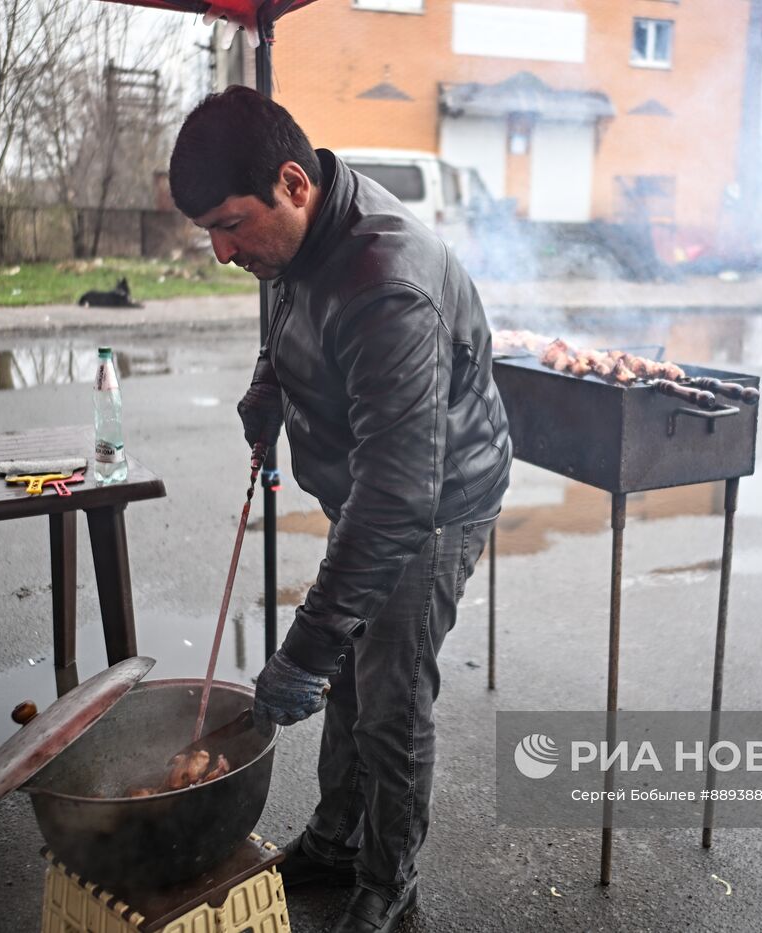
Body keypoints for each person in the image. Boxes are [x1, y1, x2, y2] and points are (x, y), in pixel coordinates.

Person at [168, 86, 511, 933]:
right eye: (209, 230)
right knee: (351, 670)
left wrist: (305, 649)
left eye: (230, 225)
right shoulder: (299, 233)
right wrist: (269, 385)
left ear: (293, 183)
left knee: (390, 693)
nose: (221, 251)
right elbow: (290, 310)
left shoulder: (388, 285)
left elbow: (398, 498)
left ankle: (389, 880)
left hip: (431, 503)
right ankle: (334, 839)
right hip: (373, 485)